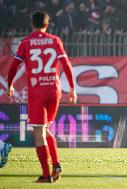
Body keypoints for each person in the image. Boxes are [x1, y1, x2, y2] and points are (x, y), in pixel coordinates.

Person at [7, 11, 77, 183]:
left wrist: (9, 85)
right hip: (54, 91)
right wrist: (72, 89)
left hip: (37, 93)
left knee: (39, 132)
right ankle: (57, 164)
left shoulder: (26, 42)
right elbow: (66, 65)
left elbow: (13, 66)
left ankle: (46, 174)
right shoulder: (55, 40)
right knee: (45, 129)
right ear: (47, 24)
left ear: (32, 23)